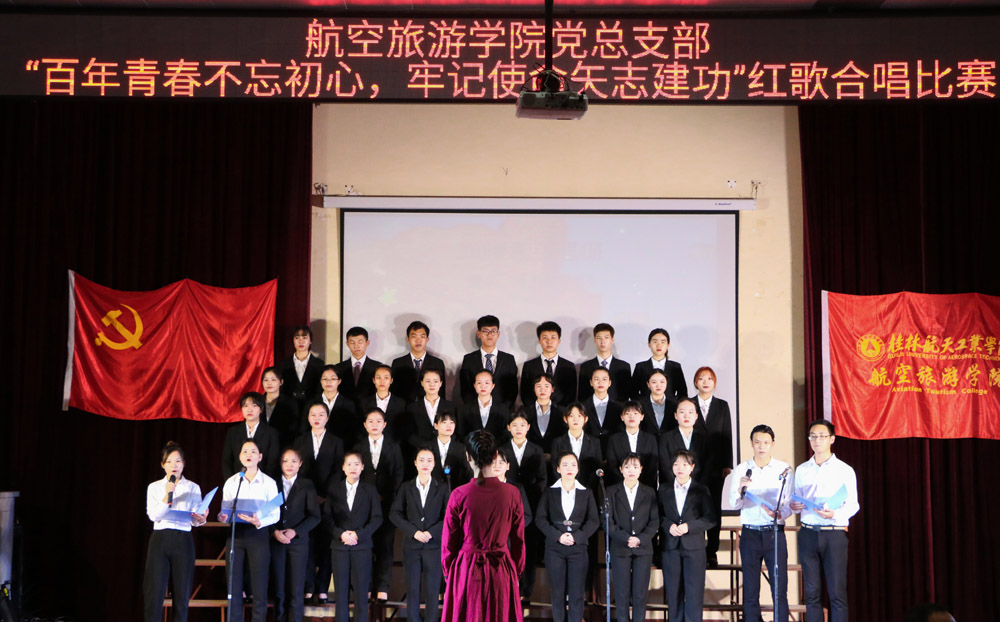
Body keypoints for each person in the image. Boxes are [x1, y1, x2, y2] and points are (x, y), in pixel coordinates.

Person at [441, 431, 525, 622]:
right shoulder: (512, 493)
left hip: (467, 569)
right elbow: (518, 540)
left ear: (468, 457)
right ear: (495, 456)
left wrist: (450, 572)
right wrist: (516, 570)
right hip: (501, 568)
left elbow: (449, 543)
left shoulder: (459, 494)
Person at [789, 419, 859, 622]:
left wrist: (834, 514)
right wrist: (795, 505)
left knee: (837, 593)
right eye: (813, 436)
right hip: (808, 532)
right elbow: (795, 498)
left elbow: (853, 505)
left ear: (832, 439)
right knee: (812, 593)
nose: (817, 440)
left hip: (834, 534)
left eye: (822, 436)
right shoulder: (802, 469)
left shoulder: (844, 470)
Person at [729, 424, 792, 622]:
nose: (761, 446)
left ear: (772, 444)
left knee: (779, 587)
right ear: (751, 443)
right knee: (750, 588)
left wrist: (779, 513)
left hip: (774, 533)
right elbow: (733, 503)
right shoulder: (742, 469)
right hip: (750, 534)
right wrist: (740, 489)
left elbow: (789, 503)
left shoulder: (784, 469)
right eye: (757, 442)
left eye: (766, 442)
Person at [143, 441, 207, 622]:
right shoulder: (154, 487)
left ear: (184, 464)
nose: (174, 465)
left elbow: (195, 519)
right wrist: (166, 495)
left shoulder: (193, 487)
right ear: (163, 465)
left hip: (183, 539)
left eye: (178, 461)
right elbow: (154, 515)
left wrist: (201, 519)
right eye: (169, 462)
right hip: (160, 539)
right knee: (154, 592)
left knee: (182, 594)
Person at [218, 439, 281, 622]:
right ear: (239, 457)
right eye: (245, 451)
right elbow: (225, 510)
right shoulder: (232, 482)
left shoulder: (269, 483)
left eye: (253, 451)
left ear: (260, 457)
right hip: (236, 534)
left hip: (258, 534)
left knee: (259, 585)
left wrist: (259, 521)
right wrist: (223, 517)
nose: (249, 455)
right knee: (234, 585)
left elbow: (275, 514)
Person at [537, 451, 599, 622]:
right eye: (565, 465)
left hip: (578, 548)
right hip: (554, 548)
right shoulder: (549, 492)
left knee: (577, 592)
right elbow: (540, 519)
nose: (569, 468)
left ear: (578, 469)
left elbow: (594, 521)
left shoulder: (586, 492)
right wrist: (558, 536)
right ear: (558, 469)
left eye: (573, 465)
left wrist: (577, 537)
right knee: (557, 592)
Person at [292, 401, 344, 604]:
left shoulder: (336, 441)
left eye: (321, 414)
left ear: (327, 418)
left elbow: (338, 470)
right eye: (313, 414)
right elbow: (296, 470)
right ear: (307, 417)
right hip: (305, 499)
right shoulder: (299, 441)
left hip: (329, 499)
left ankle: (323, 587)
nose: (316, 418)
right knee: (307, 542)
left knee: (327, 544)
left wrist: (324, 495)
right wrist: (310, 494)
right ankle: (308, 586)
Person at [390, 448, 449, 622]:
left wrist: (431, 532)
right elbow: (394, 513)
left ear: (434, 464)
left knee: (432, 590)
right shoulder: (406, 487)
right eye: (421, 460)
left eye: (429, 460)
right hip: (412, 545)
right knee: (412, 589)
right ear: (415, 463)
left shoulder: (442, 488)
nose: (425, 464)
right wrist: (413, 532)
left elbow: (449, 516)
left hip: (434, 545)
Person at [323, 452, 383, 622]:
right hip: (339, 546)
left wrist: (358, 534)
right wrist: (341, 534)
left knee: (361, 592)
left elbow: (377, 518)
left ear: (362, 467)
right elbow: (327, 518)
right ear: (343, 467)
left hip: (362, 546)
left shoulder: (370, 489)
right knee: (340, 593)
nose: (353, 468)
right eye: (349, 464)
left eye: (356, 464)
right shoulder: (334, 489)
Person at [354, 408, 404, 603]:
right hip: (363, 503)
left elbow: (398, 473)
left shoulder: (394, 446)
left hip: (387, 502)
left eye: (378, 421)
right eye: (370, 421)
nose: (374, 425)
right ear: (365, 425)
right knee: (365, 546)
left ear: (385, 424)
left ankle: (382, 588)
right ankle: (365, 587)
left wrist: (389, 495)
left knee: (385, 545)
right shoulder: (358, 446)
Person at [659, 449, 715, 622]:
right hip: (670, 548)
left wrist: (689, 527)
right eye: (676, 464)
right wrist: (668, 525)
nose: (680, 468)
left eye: (684, 464)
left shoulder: (701, 489)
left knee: (694, 594)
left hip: (694, 548)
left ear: (692, 467)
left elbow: (710, 519)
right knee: (673, 594)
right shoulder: (664, 489)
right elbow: (656, 516)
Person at [499, 410, 547, 605]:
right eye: (514, 425)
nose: (518, 429)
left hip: (531, 507)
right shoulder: (501, 450)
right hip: (506, 506)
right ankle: (506, 589)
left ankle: (525, 592)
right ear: (508, 428)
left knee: (528, 550)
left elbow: (543, 479)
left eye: (522, 425)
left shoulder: (536, 450)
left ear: (528, 427)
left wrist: (532, 499)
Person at [270, 448, 321, 622]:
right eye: (285, 461)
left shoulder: (307, 485)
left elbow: (315, 516)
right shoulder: (272, 484)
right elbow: (265, 513)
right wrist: (274, 531)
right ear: (280, 464)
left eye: (293, 461)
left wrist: (296, 531)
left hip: (298, 543)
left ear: (300, 464)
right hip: (276, 541)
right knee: (278, 589)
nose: (289, 465)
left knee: (296, 590)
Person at [606, 453, 658, 622]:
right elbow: (607, 521)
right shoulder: (611, 491)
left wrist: (640, 539)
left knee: (640, 594)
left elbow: (654, 521)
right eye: (627, 466)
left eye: (635, 467)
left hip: (643, 549)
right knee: (621, 594)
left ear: (641, 470)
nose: (631, 470)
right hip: (620, 548)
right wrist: (626, 538)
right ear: (621, 469)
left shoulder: (649, 492)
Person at [690, 366, 733, 567]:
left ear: (714, 382)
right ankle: (697, 548)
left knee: (714, 507)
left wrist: (727, 463)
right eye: (701, 378)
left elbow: (727, 435)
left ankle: (712, 551)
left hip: (716, 466)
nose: (705, 382)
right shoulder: (688, 404)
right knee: (695, 507)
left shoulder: (722, 406)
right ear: (695, 382)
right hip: (693, 466)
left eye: (709, 378)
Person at [457, 315, 518, 410]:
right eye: (485, 331)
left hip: (502, 412)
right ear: (479, 334)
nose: (489, 335)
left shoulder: (508, 359)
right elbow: (466, 390)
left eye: (493, 331)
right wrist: (476, 409)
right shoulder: (469, 359)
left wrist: (503, 410)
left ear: (498, 334)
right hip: (475, 411)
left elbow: (512, 390)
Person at [222, 392, 280, 480]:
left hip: (262, 481)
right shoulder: (233, 432)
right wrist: (232, 481)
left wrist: (263, 481)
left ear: (261, 409)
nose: (249, 410)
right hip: (237, 481)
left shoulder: (271, 432)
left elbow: (272, 463)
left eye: (254, 405)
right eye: (245, 406)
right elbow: (226, 461)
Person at [520, 321, 577, 408]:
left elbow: (571, 395)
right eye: (545, 338)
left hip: (562, 412)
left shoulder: (569, 366)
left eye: (553, 338)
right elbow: (525, 394)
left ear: (559, 341)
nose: (549, 341)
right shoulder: (529, 366)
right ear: (539, 340)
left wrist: (560, 411)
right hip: (535, 412)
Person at [405, 368, 458, 460]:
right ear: (422, 383)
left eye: (435, 381)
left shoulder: (451, 406)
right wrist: (427, 446)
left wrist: (442, 445)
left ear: (440, 383)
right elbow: (410, 434)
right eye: (428, 381)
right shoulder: (412, 408)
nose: (432, 384)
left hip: (446, 453)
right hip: (421, 455)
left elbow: (457, 432)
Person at [605, 401, 658, 489]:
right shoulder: (614, 439)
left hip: (645, 487)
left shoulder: (650, 439)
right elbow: (612, 465)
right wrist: (626, 483)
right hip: (620, 486)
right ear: (622, 417)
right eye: (627, 413)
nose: (631, 416)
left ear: (642, 417)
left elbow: (652, 465)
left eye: (635, 413)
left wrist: (639, 484)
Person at [391, 320, 448, 403]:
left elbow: (441, 392)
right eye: (414, 336)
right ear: (408, 339)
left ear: (427, 339)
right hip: (404, 407)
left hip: (429, 407)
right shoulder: (398, 363)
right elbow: (394, 391)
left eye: (422, 336)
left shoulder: (437, 363)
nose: (418, 340)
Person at [549, 401, 603, 488]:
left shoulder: (595, 442)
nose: (575, 419)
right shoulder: (558, 442)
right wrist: (567, 485)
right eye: (571, 416)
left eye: (579, 416)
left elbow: (597, 467)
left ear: (585, 419)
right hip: (564, 487)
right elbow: (555, 467)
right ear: (565, 419)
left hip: (588, 488)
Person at [577, 323, 632, 403]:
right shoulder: (586, 367)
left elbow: (626, 395)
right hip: (592, 409)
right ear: (595, 340)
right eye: (599, 338)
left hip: (617, 409)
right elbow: (582, 396)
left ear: (612, 340)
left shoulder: (624, 366)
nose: (603, 341)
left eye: (606, 338)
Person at [658, 399, 707, 486]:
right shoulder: (665, 438)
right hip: (672, 486)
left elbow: (707, 466)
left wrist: (694, 485)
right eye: (682, 412)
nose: (686, 416)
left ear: (696, 416)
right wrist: (679, 484)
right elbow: (665, 466)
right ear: (676, 415)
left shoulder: (705, 438)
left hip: (698, 487)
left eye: (690, 412)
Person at [277, 325, 326, 413]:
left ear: (310, 341)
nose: (301, 341)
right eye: (297, 338)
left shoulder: (319, 364)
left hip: (311, 409)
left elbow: (320, 389)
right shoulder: (284, 364)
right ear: (293, 340)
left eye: (304, 338)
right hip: (289, 409)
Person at [334, 326, 384, 409]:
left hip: (369, 411)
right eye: (352, 342)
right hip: (345, 410)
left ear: (367, 343)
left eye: (360, 342)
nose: (356, 346)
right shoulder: (338, 368)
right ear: (347, 344)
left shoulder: (377, 367)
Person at [632, 328, 687, 401]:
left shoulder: (675, 367)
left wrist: (673, 404)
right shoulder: (640, 367)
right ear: (649, 344)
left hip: (670, 407)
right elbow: (633, 392)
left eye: (663, 342)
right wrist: (644, 404)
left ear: (668, 345)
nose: (659, 345)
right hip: (645, 407)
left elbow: (682, 392)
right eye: (655, 342)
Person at [317, 364, 361, 449]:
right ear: (320, 381)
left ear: (339, 381)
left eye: (333, 379)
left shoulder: (348, 404)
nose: (328, 382)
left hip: (342, 447)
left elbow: (352, 431)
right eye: (325, 379)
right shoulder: (312, 402)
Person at [459, 369, 511, 441]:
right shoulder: (464, 409)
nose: (483, 386)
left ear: (493, 386)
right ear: (474, 385)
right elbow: (461, 434)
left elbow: (505, 434)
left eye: (487, 383)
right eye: (479, 383)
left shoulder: (503, 409)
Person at [360, 364, 407, 443]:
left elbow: (402, 428)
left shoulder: (400, 403)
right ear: (373, 380)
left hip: (393, 444)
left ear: (391, 380)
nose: (382, 381)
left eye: (386, 377)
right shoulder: (364, 402)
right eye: (378, 377)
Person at [583, 366, 624, 453]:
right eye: (596, 379)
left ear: (609, 383)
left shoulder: (619, 407)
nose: (600, 382)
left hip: (612, 450)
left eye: (604, 379)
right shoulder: (582, 406)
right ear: (591, 382)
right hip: (588, 451)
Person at [429, 411, 473, 488]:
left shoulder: (460, 448)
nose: (449, 426)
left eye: (452, 422)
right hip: (432, 490)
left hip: (454, 490)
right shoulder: (427, 447)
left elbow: (467, 475)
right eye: (444, 422)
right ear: (436, 425)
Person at [261, 366, 301, 448]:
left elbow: (293, 428)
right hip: (260, 446)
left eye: (273, 379)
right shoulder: (257, 401)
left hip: (282, 445)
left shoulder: (290, 403)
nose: (269, 383)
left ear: (281, 382)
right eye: (266, 380)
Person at [525, 374, 567, 453]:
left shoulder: (561, 412)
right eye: (539, 386)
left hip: (556, 455)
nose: (542, 390)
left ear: (552, 389)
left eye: (546, 386)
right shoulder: (525, 412)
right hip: (532, 455)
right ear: (534, 388)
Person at [639, 370, 678, 438]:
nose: (658, 385)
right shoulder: (640, 404)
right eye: (654, 382)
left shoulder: (675, 404)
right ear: (648, 384)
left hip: (669, 441)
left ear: (666, 383)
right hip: (648, 441)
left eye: (662, 382)